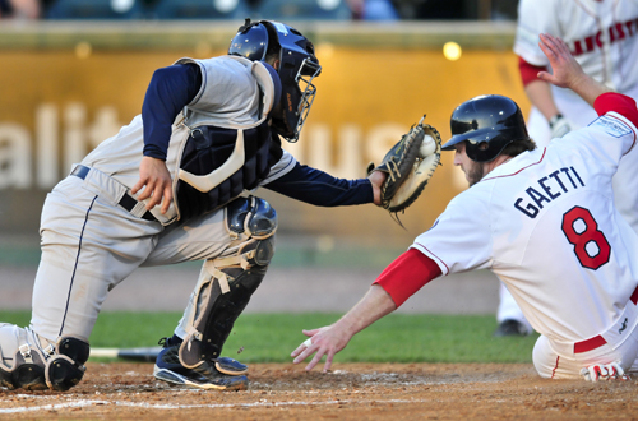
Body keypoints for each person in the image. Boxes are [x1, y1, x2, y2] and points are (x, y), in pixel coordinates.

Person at [0, 18, 387, 392]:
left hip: (149, 228)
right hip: (95, 214)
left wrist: (371, 189)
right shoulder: (243, 78)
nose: (302, 90)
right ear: (277, 63)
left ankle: (189, 356)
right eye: (300, 75)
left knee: (252, 226)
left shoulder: (263, 144)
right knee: (51, 364)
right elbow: (167, 80)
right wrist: (153, 155)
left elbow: (318, 187)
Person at [291, 33, 638, 380]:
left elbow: (410, 270)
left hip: (596, 351)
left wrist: (343, 328)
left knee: (543, 357)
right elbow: (626, 112)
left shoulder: (481, 203)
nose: (456, 160)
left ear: (484, 146)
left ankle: (603, 370)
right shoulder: (573, 149)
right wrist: (576, 80)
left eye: (461, 149)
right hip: (635, 313)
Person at [494, 0, 638, 337]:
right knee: (531, 202)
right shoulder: (544, 3)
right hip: (563, 100)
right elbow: (530, 69)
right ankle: (514, 314)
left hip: (625, 95)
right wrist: (556, 119)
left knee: (631, 203)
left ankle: (626, 306)